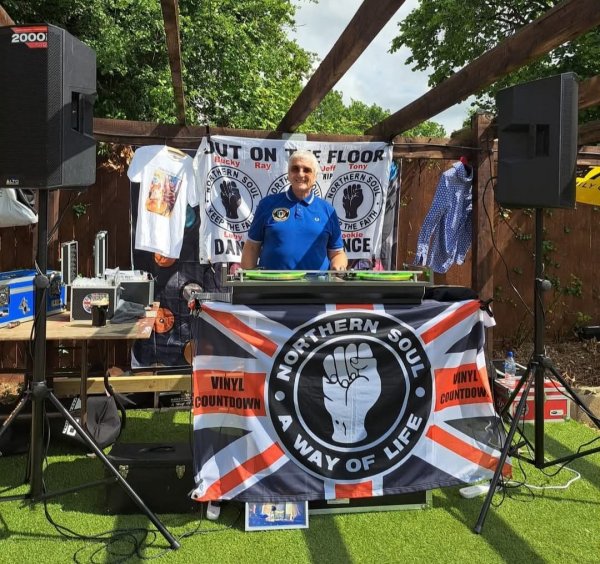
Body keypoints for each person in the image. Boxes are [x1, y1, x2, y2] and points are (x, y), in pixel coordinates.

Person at [240, 150, 348, 271]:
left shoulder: (328, 210)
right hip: (272, 282)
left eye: (306, 170)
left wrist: (338, 266)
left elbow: (337, 253)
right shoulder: (266, 205)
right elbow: (252, 247)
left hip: (317, 282)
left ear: (315, 176)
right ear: (288, 174)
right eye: (295, 169)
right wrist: (248, 278)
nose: (300, 174)